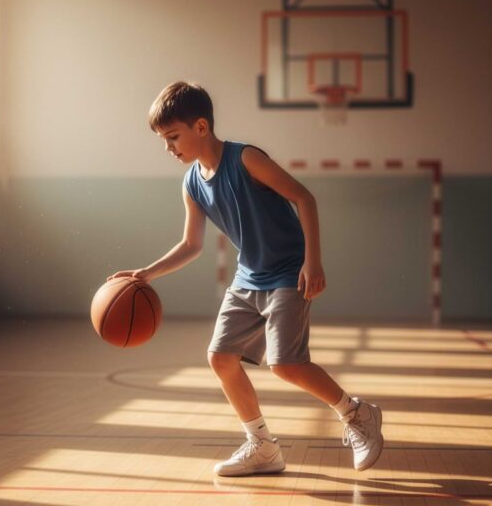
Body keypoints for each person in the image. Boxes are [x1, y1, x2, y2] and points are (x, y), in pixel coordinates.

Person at [108, 81, 383, 477]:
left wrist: (313, 262)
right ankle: (262, 446)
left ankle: (357, 414)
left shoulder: (246, 159)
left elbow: (304, 198)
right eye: (163, 140)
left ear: (200, 127)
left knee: (286, 364)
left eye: (172, 137)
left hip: (289, 272)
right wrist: (147, 273)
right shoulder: (191, 183)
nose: (168, 147)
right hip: (248, 277)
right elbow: (191, 244)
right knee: (220, 358)